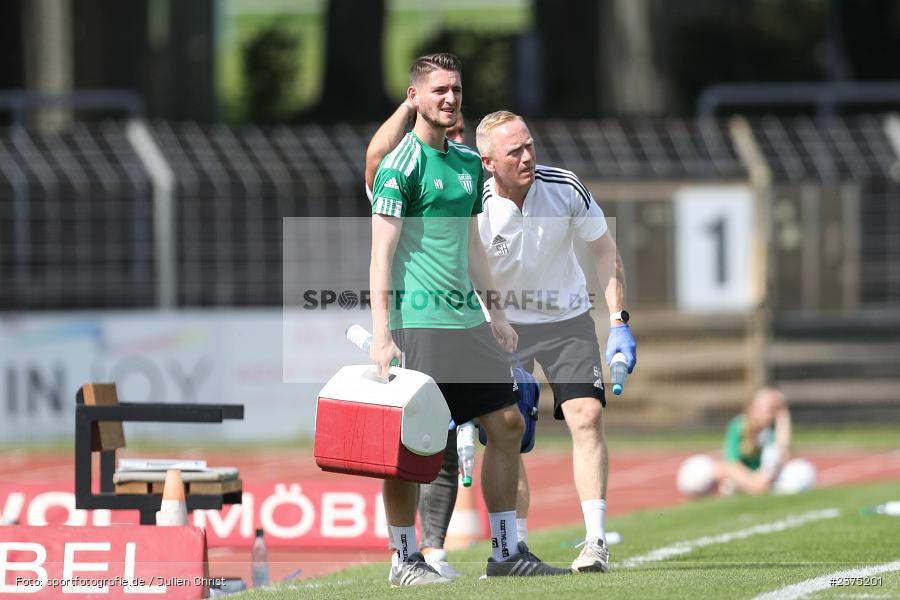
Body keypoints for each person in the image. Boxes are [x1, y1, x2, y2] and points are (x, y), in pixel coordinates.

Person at [367, 106, 636, 575]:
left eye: (530, 144)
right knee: (511, 428)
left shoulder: (564, 187)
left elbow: (604, 249)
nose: (528, 156)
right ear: (489, 162)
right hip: (501, 325)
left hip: (565, 317)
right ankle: (510, 546)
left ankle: (594, 541)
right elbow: (456, 262)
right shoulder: (472, 194)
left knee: (586, 414)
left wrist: (618, 321)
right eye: (515, 151)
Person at [368, 53, 569, 586]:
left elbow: (474, 245)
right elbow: (380, 256)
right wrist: (383, 335)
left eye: (455, 89)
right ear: (414, 97)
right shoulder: (400, 166)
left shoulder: (463, 163)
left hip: (467, 321)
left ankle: (505, 552)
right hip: (422, 323)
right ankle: (404, 560)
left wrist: (496, 311)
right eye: (439, 90)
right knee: (418, 443)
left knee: (507, 424)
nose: (450, 98)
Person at [716, 387, 793, 495]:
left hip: (767, 476)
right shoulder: (739, 426)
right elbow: (732, 463)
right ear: (752, 407)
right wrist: (752, 482)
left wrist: (783, 412)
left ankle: (751, 488)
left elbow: (784, 451)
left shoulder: (773, 428)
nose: (768, 413)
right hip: (747, 476)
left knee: (799, 471)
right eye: (765, 407)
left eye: (773, 408)